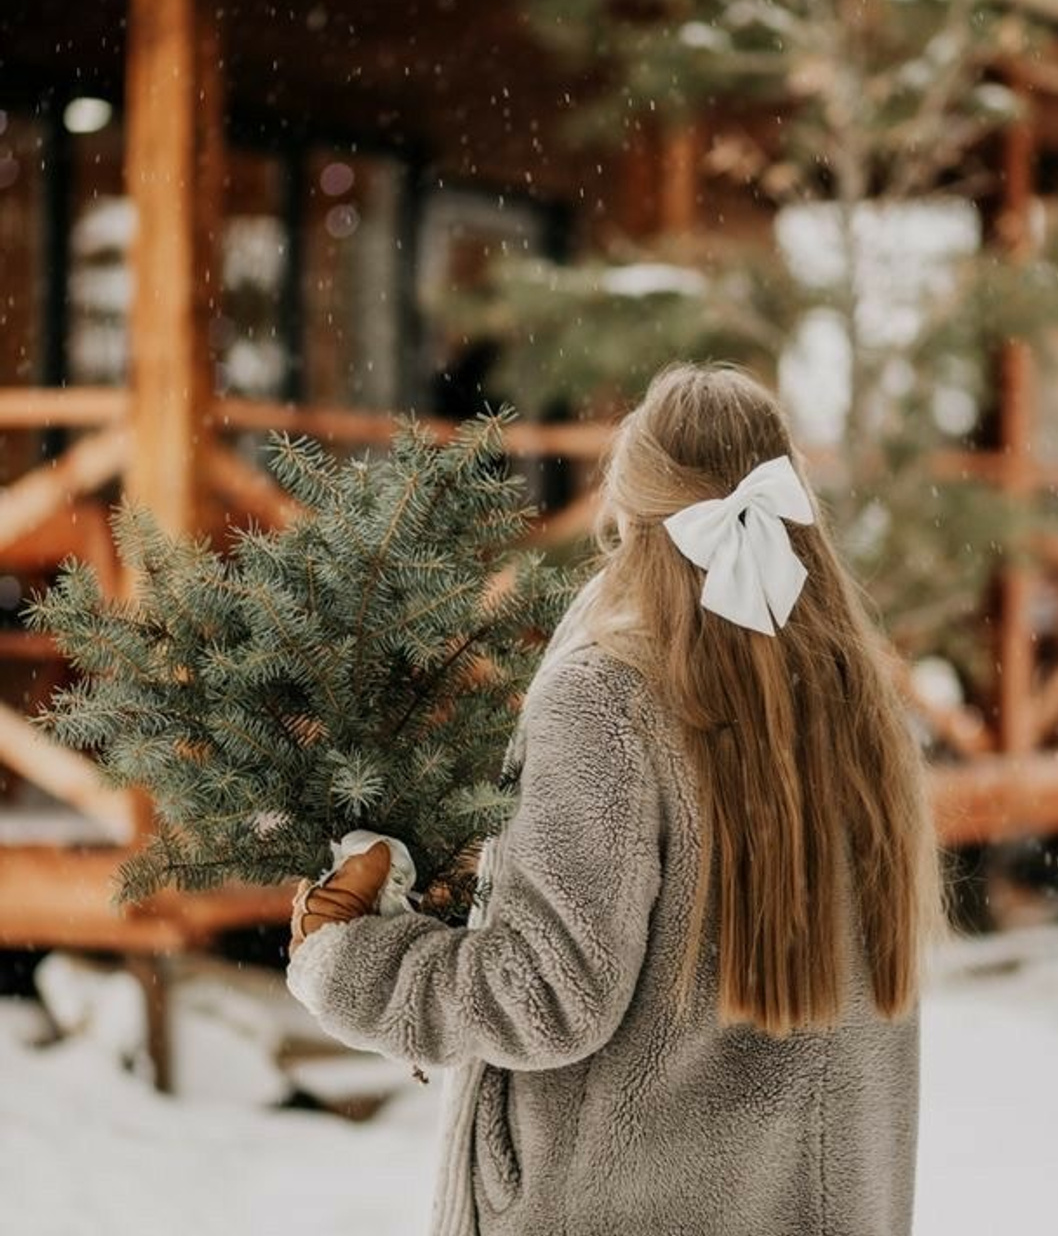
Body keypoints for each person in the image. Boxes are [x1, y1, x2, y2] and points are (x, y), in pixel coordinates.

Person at [287, 360, 947, 1236]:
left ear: (630, 516)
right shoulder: (862, 702)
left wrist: (355, 964)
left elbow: (547, 993)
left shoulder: (610, 700)